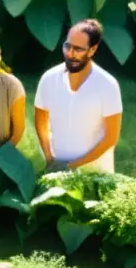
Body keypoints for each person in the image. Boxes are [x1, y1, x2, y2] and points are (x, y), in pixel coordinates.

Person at [34, 19, 123, 173]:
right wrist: (50, 158)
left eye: (78, 49)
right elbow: (41, 123)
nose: (70, 54)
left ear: (92, 50)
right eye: (67, 46)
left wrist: (71, 167)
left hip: (96, 173)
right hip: (55, 170)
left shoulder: (108, 85)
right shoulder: (48, 79)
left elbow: (111, 138)